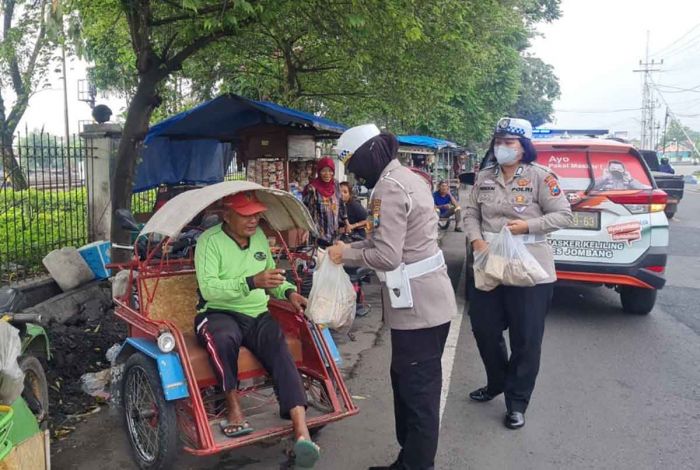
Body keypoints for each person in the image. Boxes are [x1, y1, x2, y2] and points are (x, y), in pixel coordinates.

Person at [327, 124, 457, 470]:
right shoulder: (408, 178)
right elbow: (383, 243)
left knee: (418, 394)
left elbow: (386, 256)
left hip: (419, 308)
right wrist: (349, 247)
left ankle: (417, 465)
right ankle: (409, 460)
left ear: (370, 155)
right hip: (419, 304)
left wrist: (346, 255)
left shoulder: (388, 189)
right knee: (408, 386)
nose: (354, 175)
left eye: (354, 165)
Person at [194, 191, 320, 467]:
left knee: (280, 347)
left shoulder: (260, 237)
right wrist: (250, 281)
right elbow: (209, 288)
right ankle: (233, 406)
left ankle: (301, 432)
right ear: (227, 215)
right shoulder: (209, 242)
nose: (254, 220)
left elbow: (272, 277)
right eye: (246, 214)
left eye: (256, 214)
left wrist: (288, 293)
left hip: (256, 312)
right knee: (224, 339)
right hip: (217, 312)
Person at [464, 117, 573, 430]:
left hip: (530, 267)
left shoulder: (541, 177)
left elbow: (563, 214)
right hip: (490, 263)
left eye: (509, 142)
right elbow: (470, 212)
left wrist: (528, 225)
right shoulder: (484, 177)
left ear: (523, 148)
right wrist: (476, 239)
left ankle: (516, 401)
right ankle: (497, 380)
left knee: (526, 339)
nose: (501, 147)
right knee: (484, 328)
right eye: (498, 141)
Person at [303, 156, 340, 247]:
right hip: (318, 235)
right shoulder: (312, 188)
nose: (327, 174)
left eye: (330, 170)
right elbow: (306, 210)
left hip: (334, 234)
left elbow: (341, 204)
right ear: (319, 172)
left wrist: (346, 222)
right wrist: (306, 229)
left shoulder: (336, 185)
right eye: (324, 170)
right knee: (318, 260)